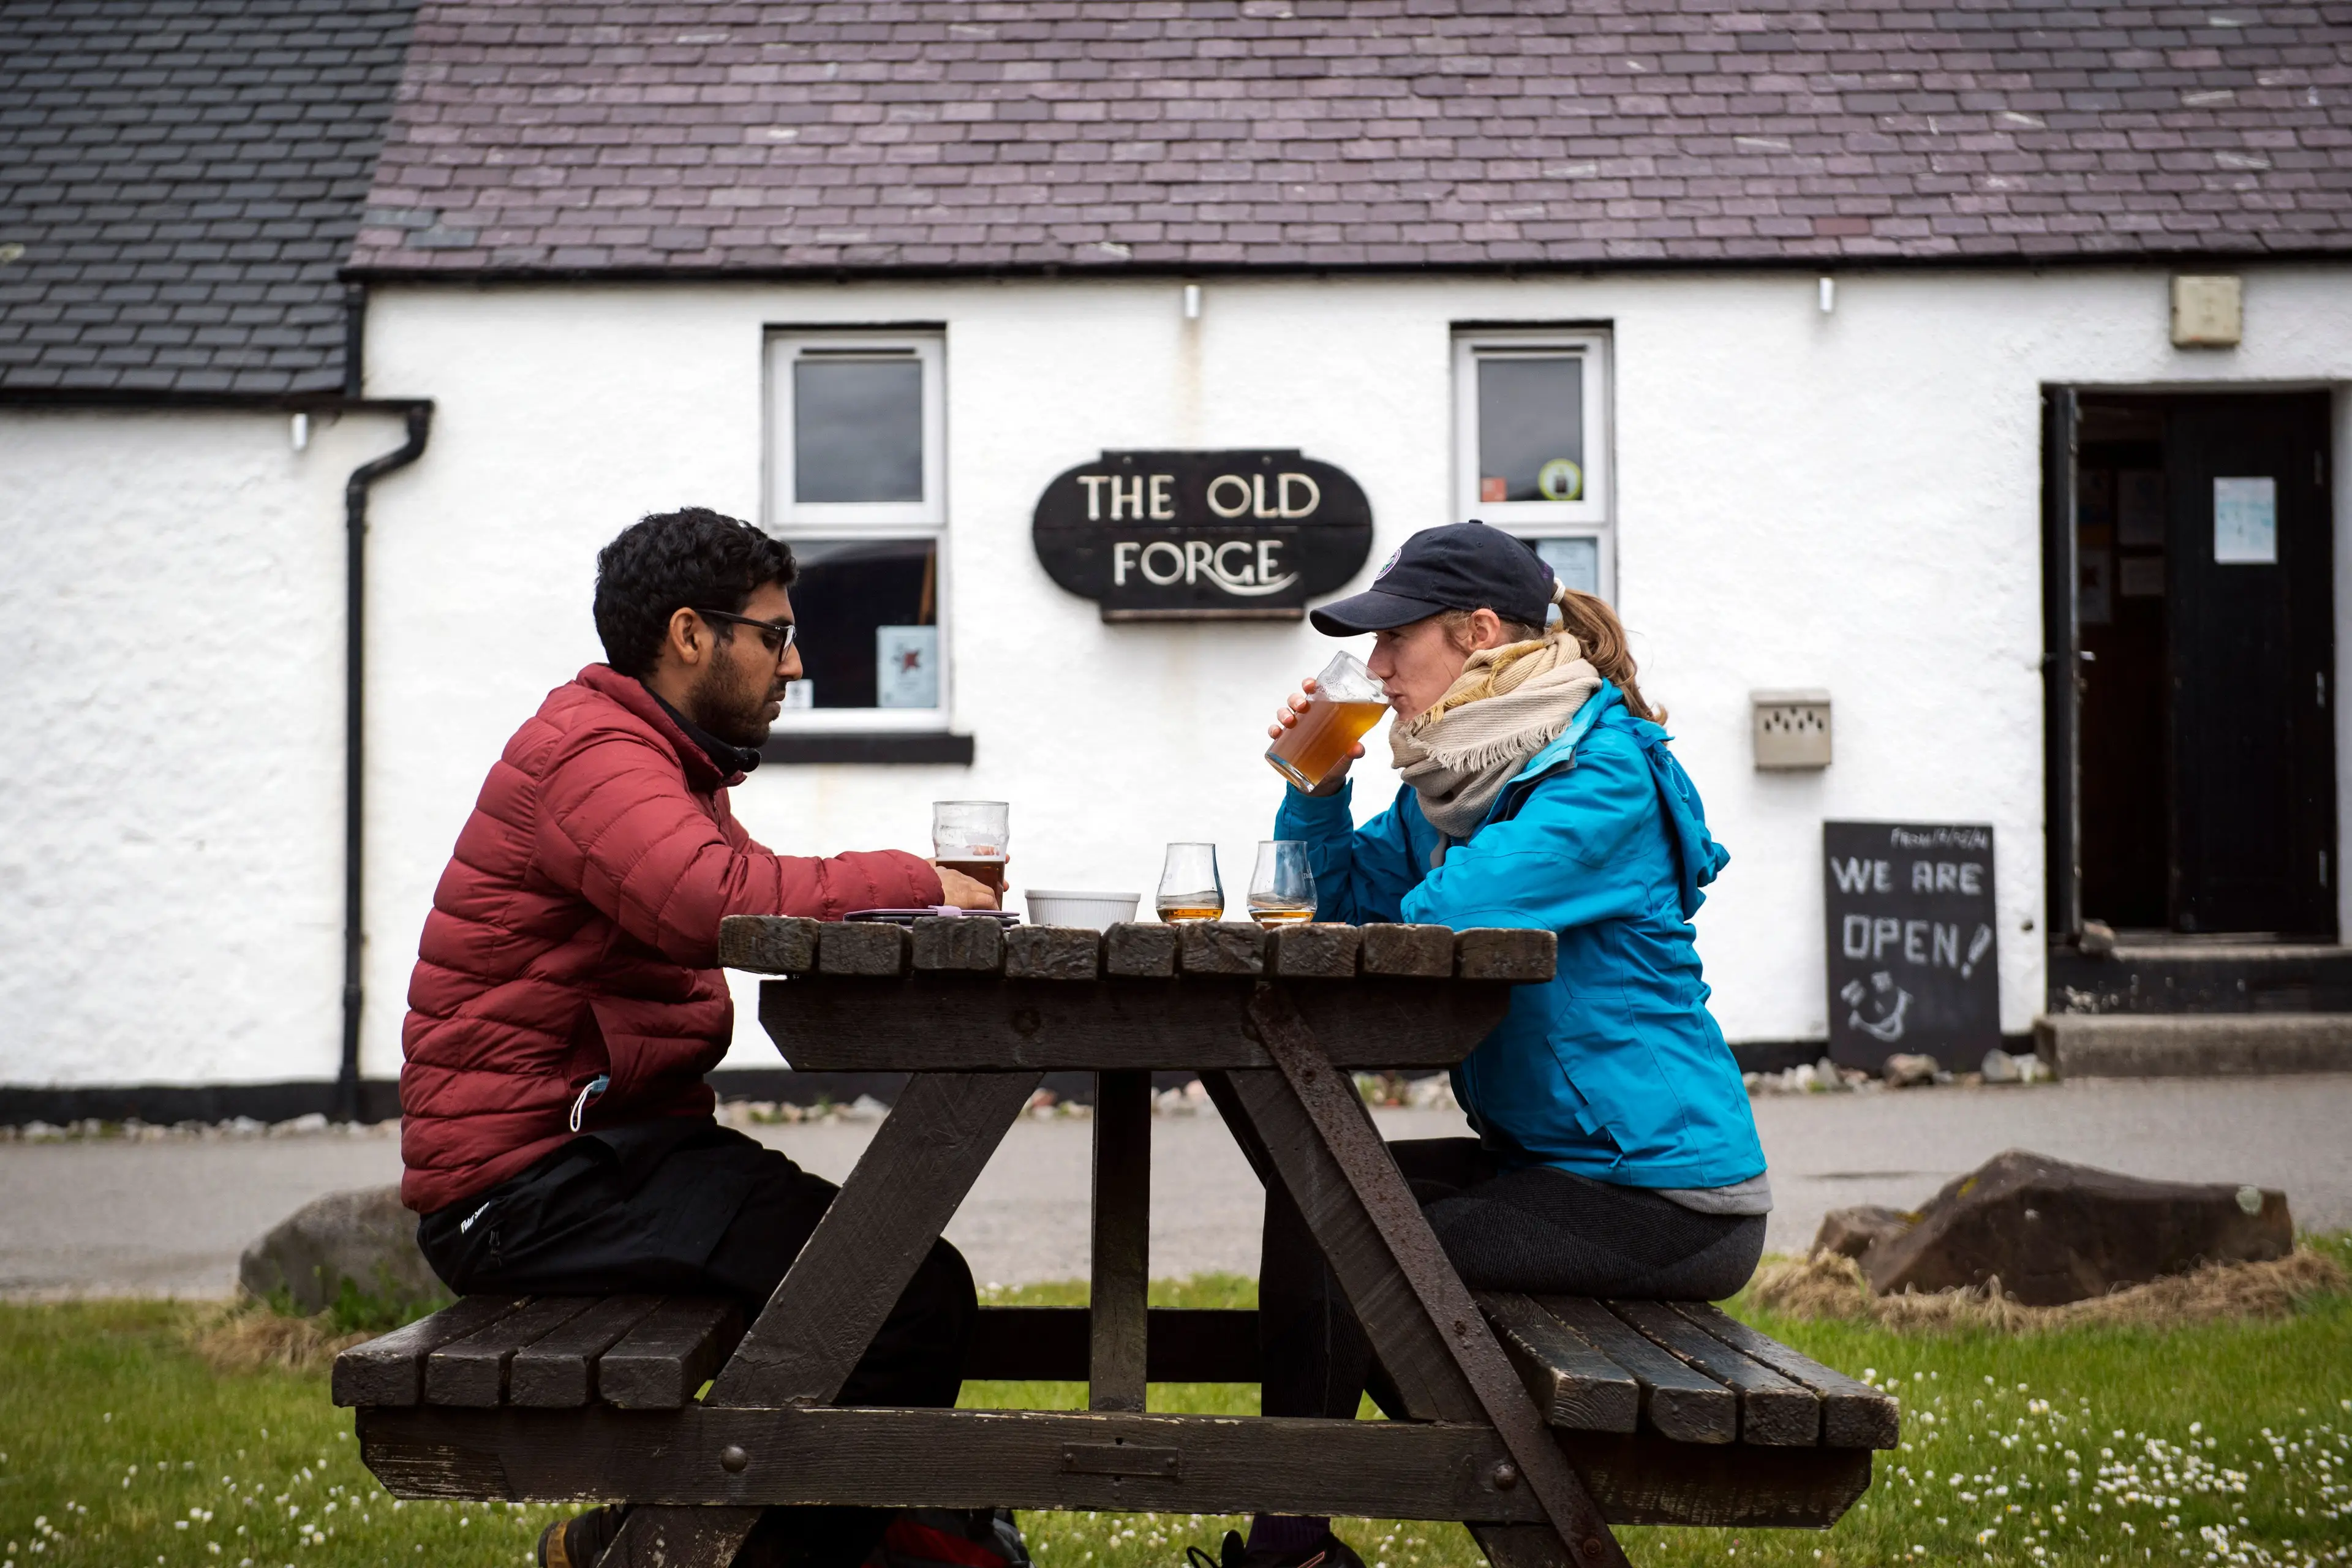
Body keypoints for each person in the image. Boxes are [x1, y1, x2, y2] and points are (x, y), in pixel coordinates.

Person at [398, 507, 999, 1568]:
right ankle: (692, 1549)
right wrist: (919, 881)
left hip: (603, 1159)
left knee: (898, 1282)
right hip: (531, 1191)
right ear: (690, 634)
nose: (796, 662)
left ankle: (658, 1543)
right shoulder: (593, 756)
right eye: (773, 634)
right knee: (896, 1293)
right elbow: (713, 900)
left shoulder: (656, 761)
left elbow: (748, 894)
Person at [1219, 522, 1768, 1568]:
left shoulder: (1597, 779)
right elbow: (1327, 905)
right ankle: (1298, 1539)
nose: (1375, 668)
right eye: (1369, 649)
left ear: (1477, 634)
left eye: (1395, 642)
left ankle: (1307, 1541)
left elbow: (1434, 923)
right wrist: (1316, 784)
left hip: (1663, 1199)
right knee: (1318, 1190)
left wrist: (1374, 836)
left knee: (1349, 1235)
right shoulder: (1461, 783)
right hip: (1558, 1170)